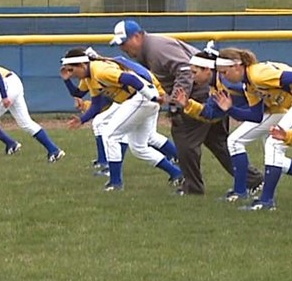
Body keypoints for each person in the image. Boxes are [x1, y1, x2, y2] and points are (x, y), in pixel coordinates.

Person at [111, 19, 261, 196]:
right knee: (218, 143)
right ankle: (252, 180)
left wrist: (176, 104)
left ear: (137, 36)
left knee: (185, 141)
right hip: (206, 91)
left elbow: (185, 71)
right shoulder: (151, 48)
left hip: (199, 93)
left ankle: (193, 188)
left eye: (124, 42)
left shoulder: (157, 48)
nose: (123, 48)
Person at [186, 45, 292, 210]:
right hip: (282, 108)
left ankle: (258, 198)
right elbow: (255, 115)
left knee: (263, 145)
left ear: (237, 67)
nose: (223, 76)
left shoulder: (257, 74)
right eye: (220, 72)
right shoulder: (247, 83)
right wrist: (227, 109)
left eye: (224, 71)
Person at [61, 47, 184, 190]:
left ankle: (115, 182)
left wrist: (152, 96)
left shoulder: (100, 71)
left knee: (110, 135)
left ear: (82, 65)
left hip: (142, 98)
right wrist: (82, 120)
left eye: (71, 70)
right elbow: (96, 104)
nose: (70, 74)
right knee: (139, 147)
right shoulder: (91, 75)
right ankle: (177, 173)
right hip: (141, 98)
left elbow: (131, 79)